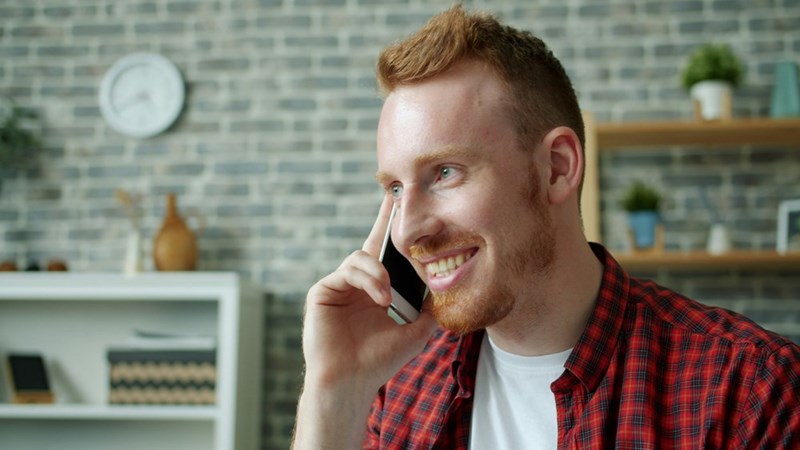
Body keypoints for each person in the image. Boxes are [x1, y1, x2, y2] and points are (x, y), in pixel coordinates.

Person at [292, 5, 800, 449]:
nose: (407, 232)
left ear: (557, 167)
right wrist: (334, 390)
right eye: (396, 189)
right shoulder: (398, 392)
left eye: (444, 173)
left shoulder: (752, 392)